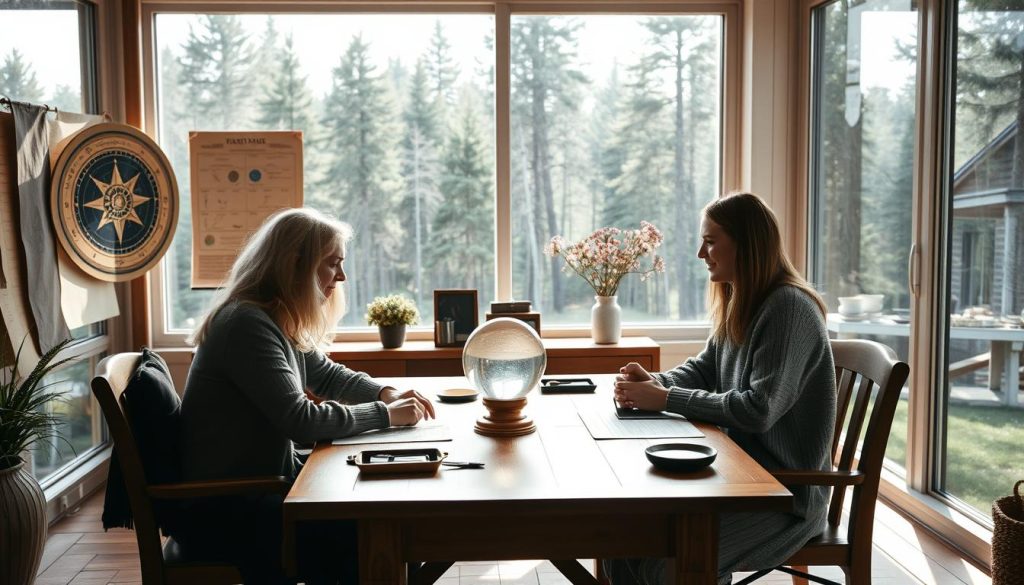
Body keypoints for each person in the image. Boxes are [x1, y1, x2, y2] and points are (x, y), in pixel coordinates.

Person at [178, 207, 435, 584]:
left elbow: (326, 374)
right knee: (379, 536)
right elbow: (300, 421)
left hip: (260, 490)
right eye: (332, 264)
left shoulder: (273, 316)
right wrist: (386, 414)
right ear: (294, 265)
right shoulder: (246, 324)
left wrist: (386, 391)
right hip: (230, 510)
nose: (342, 276)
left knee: (385, 525)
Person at [607, 192, 837, 585]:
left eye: (711, 240)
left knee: (665, 565)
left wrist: (663, 398)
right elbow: (703, 369)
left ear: (747, 243)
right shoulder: (742, 300)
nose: (701, 253)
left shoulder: (788, 308)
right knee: (622, 543)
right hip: (735, 479)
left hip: (786, 498)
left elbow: (758, 409)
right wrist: (653, 382)